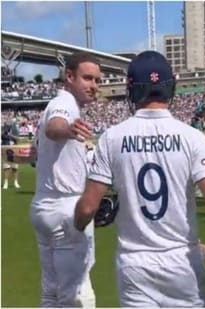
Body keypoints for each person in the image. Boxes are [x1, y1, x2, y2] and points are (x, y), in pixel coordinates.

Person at [73, 51, 205, 307]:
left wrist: (76, 226)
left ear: (132, 89)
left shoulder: (111, 138)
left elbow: (88, 207)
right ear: (171, 87)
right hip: (182, 262)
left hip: (135, 264)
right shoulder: (193, 137)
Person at [29, 52, 100, 307]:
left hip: (42, 206)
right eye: (88, 78)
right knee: (77, 293)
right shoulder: (66, 104)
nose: (94, 86)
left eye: (97, 80)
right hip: (65, 209)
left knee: (50, 291)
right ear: (69, 77)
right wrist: (67, 130)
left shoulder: (56, 105)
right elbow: (54, 127)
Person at [2, 121, 20, 189]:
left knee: (15, 168)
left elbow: (18, 139)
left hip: (14, 150)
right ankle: (5, 182)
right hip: (6, 150)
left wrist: (10, 135)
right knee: (6, 167)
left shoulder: (15, 130)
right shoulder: (3, 130)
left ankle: (15, 182)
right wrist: (4, 133)